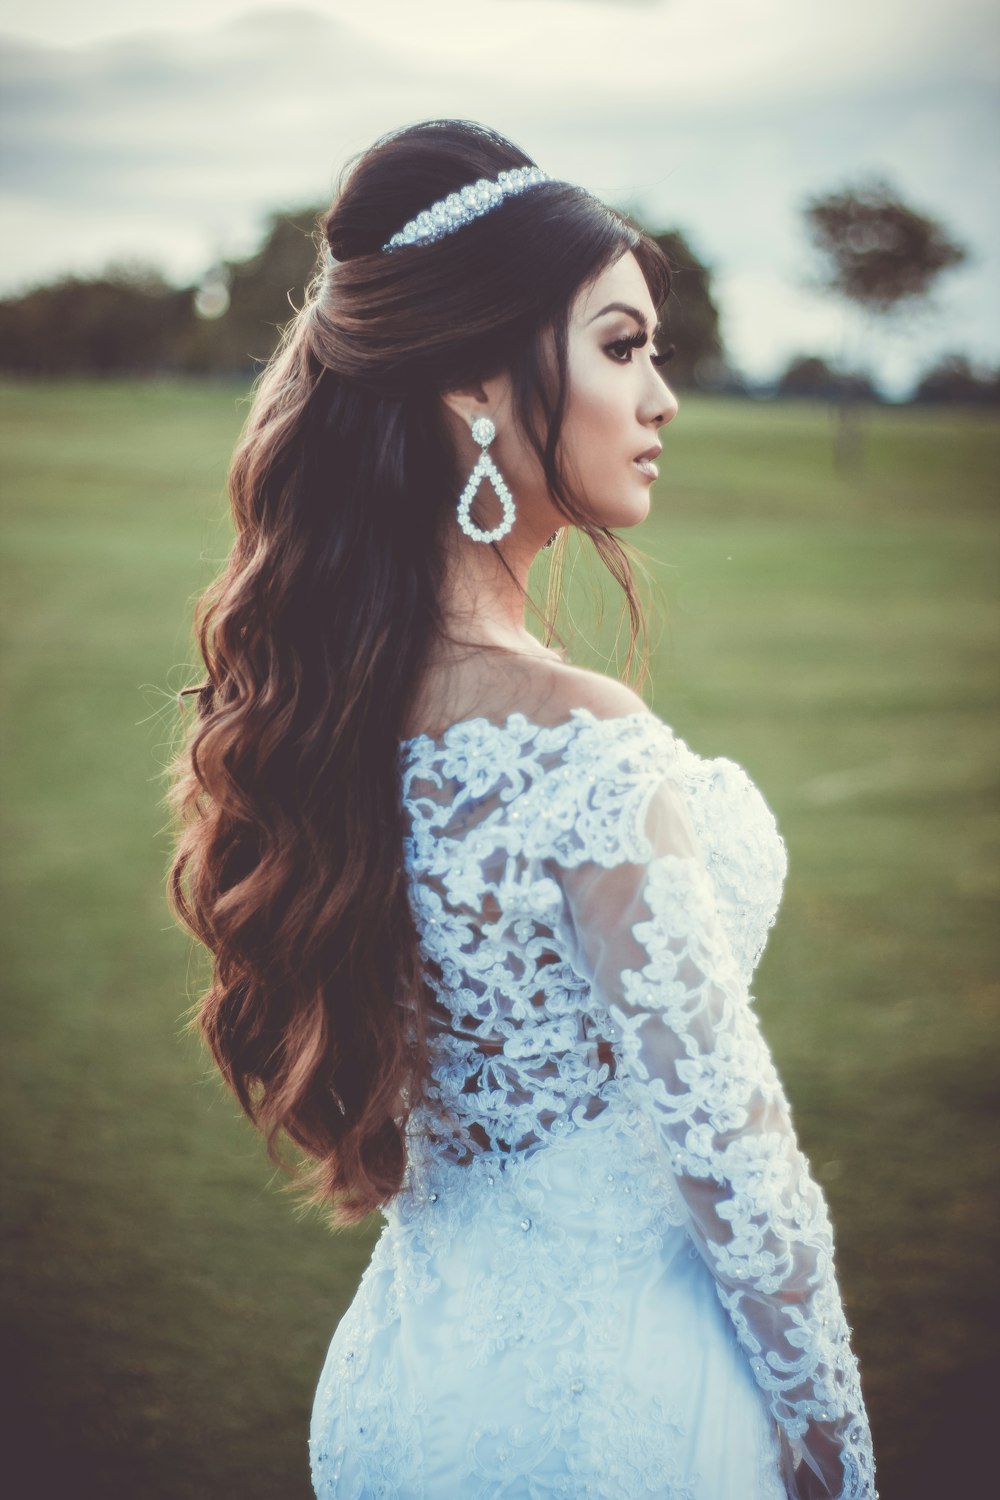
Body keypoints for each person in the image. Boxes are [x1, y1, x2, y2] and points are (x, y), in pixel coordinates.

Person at [167, 119, 877, 1499]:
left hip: (401, 1399)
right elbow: (744, 1176)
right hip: (613, 1421)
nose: (663, 394)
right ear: (470, 386)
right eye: (621, 346)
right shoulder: (578, 747)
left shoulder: (332, 715)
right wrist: (841, 1457)